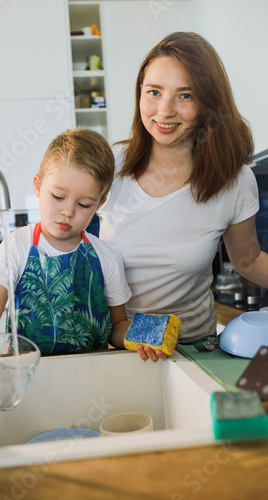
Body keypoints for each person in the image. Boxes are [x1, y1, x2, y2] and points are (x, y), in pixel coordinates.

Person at [97, 31, 268, 361]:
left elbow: (249, 260)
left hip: (194, 351)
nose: (164, 110)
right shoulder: (111, 166)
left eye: (185, 95)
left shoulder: (233, 181)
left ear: (208, 103)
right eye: (154, 92)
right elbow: (57, 230)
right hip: (120, 350)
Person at [0, 127, 140, 375]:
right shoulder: (17, 247)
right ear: (37, 186)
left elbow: (118, 324)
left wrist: (136, 336)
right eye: (57, 196)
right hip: (26, 376)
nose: (68, 211)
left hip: (93, 376)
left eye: (84, 204)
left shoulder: (106, 255)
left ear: (100, 203)